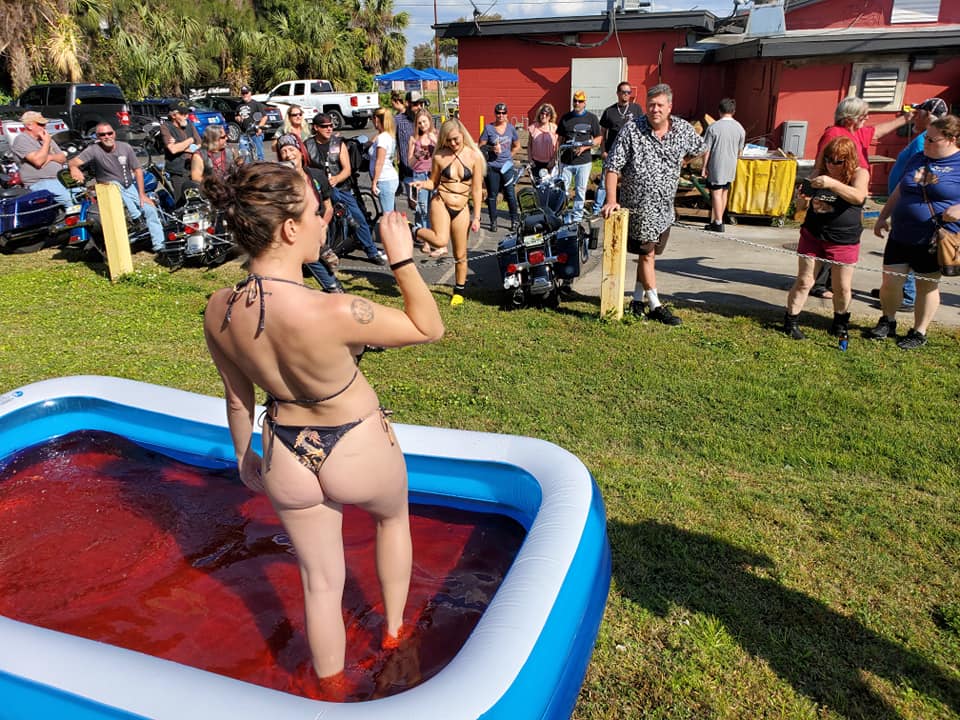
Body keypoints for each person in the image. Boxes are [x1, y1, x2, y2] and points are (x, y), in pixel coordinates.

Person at [201, 161, 444, 691]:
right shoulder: (334, 309)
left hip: (284, 451)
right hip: (356, 443)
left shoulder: (220, 309)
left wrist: (244, 456)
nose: (323, 219)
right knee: (392, 521)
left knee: (319, 584)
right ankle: (394, 635)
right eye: (316, 211)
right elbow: (429, 327)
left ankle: (329, 693)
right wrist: (402, 259)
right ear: (290, 229)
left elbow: (238, 400)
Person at [601, 83, 705, 326]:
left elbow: (701, 147)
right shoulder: (632, 129)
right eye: (650, 105)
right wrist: (612, 200)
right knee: (647, 254)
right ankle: (656, 305)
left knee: (648, 254)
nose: (654, 109)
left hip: (665, 208)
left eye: (659, 105)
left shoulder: (682, 129)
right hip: (640, 206)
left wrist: (682, 161)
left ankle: (637, 300)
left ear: (670, 107)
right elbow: (612, 166)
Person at [868, 115, 960, 349]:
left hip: (933, 238)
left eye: (932, 139)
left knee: (926, 285)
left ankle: (919, 331)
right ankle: (887, 320)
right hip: (901, 232)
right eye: (925, 137)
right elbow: (900, 189)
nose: (925, 143)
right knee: (890, 281)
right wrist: (882, 216)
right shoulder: (918, 158)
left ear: (951, 139)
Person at [809, 96, 914, 299]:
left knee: (843, 238)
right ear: (850, 118)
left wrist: (905, 119)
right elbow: (822, 163)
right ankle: (820, 284)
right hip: (835, 193)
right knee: (829, 235)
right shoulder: (834, 134)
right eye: (864, 116)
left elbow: (878, 131)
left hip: (852, 193)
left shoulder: (856, 132)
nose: (867, 119)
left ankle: (832, 282)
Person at [781, 136, 868, 340]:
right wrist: (802, 199)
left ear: (848, 160)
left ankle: (840, 322)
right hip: (813, 234)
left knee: (841, 286)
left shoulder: (859, 174)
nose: (831, 165)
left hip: (843, 238)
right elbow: (801, 207)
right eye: (828, 159)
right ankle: (791, 322)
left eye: (837, 161)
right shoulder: (819, 173)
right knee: (805, 280)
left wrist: (832, 184)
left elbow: (858, 196)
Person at [874, 97, 950, 310]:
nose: (914, 117)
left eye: (918, 113)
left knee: (909, 253)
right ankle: (896, 290)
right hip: (902, 205)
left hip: (912, 210)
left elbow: (918, 178)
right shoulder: (922, 138)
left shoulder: (925, 142)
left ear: (928, 115)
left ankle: (906, 295)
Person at [410, 119, 485, 305]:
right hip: (441, 202)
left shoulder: (474, 156)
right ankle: (413, 230)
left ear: (463, 135)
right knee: (440, 241)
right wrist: (421, 184)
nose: (452, 143)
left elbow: (476, 189)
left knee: (461, 255)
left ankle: (459, 291)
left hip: (462, 207)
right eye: (448, 140)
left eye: (455, 139)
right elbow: (433, 182)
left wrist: (477, 216)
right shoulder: (439, 156)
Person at [68, 121, 165, 253]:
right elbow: (73, 162)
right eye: (102, 135)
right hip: (108, 191)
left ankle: (159, 245)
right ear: (98, 137)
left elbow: (137, 170)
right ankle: (136, 217)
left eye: (109, 133)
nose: (107, 136)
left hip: (129, 187)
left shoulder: (125, 147)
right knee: (114, 184)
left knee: (150, 209)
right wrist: (74, 169)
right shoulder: (93, 150)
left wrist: (142, 195)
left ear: (114, 134)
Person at [305, 113, 387, 265]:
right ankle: (315, 253)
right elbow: (305, 169)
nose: (329, 129)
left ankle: (372, 252)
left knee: (359, 219)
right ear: (316, 128)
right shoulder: (307, 145)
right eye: (324, 126)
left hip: (341, 188)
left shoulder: (338, 143)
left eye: (331, 125)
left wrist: (336, 179)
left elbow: (347, 170)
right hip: (318, 191)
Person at [276, 133, 341, 293]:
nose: (288, 155)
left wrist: (322, 226)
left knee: (327, 266)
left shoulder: (316, 176)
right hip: (296, 237)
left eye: (291, 149)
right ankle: (333, 289)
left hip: (317, 232)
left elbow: (328, 207)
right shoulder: (281, 181)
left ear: (301, 151)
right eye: (283, 151)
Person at [11, 110, 76, 208]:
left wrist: (50, 157)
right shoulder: (22, 140)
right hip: (40, 181)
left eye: (44, 124)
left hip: (60, 177)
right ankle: (76, 216)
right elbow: (38, 161)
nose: (44, 127)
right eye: (40, 124)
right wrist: (46, 143)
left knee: (82, 192)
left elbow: (63, 158)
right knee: (68, 198)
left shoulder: (46, 138)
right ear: (29, 125)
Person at [595, 82, 643, 211]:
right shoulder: (609, 111)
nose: (626, 94)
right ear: (618, 93)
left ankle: (630, 208)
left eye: (628, 92)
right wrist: (603, 151)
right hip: (612, 153)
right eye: (623, 92)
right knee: (605, 182)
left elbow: (642, 131)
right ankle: (597, 209)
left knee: (631, 182)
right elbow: (602, 133)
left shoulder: (636, 109)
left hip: (632, 154)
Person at [700, 98, 745, 232]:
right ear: (733, 111)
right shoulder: (740, 128)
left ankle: (718, 222)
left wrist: (704, 166)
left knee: (716, 192)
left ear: (719, 111)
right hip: (731, 164)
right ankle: (719, 219)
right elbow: (740, 151)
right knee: (724, 191)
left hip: (717, 163)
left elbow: (706, 149)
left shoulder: (713, 127)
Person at [557, 90, 602, 223]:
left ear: (584, 102)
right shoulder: (565, 118)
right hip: (566, 162)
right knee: (563, 190)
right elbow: (559, 139)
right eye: (575, 101)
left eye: (580, 101)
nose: (577, 103)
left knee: (580, 190)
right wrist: (557, 156)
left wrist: (585, 147)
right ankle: (562, 214)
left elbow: (598, 139)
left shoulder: (591, 118)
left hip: (584, 162)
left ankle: (577, 217)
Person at [478, 102, 520, 231]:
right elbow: (480, 146)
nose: (500, 115)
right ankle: (493, 222)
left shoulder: (511, 129)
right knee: (492, 195)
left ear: (507, 114)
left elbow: (517, 145)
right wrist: (492, 148)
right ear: (495, 114)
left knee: (510, 194)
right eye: (498, 113)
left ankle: (514, 221)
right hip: (492, 166)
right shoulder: (488, 128)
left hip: (507, 166)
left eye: (503, 113)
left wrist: (509, 156)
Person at [160, 100, 202, 205]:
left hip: (193, 167)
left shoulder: (190, 125)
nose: (186, 116)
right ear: (174, 115)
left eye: (187, 113)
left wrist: (182, 146)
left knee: (198, 197)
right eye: (183, 114)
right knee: (181, 200)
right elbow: (173, 149)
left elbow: (199, 143)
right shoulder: (166, 127)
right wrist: (190, 140)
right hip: (178, 171)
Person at [407, 108, 438, 240]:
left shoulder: (436, 135)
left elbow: (443, 154)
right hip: (419, 174)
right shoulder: (414, 138)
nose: (422, 125)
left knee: (435, 207)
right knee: (422, 207)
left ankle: (432, 234)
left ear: (430, 121)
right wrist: (416, 155)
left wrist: (435, 142)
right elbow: (410, 163)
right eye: (419, 123)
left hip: (434, 174)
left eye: (424, 122)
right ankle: (425, 237)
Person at [369, 108, 400, 213]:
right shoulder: (387, 135)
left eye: (372, 119)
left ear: (376, 119)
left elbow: (379, 162)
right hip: (389, 177)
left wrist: (374, 182)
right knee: (391, 212)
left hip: (384, 179)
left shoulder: (382, 138)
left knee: (388, 215)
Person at [395, 91, 424, 186]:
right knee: (412, 196)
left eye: (421, 104)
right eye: (416, 104)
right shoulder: (398, 120)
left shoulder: (424, 119)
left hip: (425, 171)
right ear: (407, 103)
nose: (419, 107)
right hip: (408, 171)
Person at [237, 86, 268, 161]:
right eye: (243, 93)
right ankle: (247, 167)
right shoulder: (239, 105)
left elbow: (264, 117)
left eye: (246, 93)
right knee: (243, 154)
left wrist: (259, 128)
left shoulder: (256, 104)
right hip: (244, 133)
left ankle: (260, 166)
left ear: (250, 93)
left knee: (259, 155)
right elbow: (236, 116)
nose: (245, 95)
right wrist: (238, 118)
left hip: (255, 133)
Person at [527, 103, 558, 176]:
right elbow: (529, 144)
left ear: (550, 116)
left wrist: (553, 160)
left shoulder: (554, 128)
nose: (544, 116)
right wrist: (530, 160)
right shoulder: (533, 127)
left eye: (547, 114)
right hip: (535, 163)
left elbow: (557, 146)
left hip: (549, 164)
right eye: (542, 113)